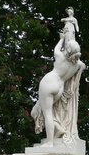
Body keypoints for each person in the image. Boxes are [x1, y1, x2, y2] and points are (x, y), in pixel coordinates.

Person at [31, 8, 85, 146]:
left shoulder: (60, 57)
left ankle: (49, 142)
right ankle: (59, 128)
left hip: (49, 83)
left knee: (46, 113)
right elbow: (81, 67)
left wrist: (62, 40)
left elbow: (56, 48)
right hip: (60, 88)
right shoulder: (78, 65)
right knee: (40, 111)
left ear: (68, 49)